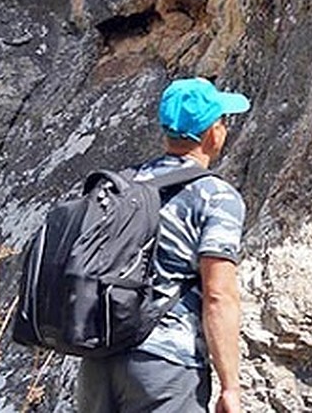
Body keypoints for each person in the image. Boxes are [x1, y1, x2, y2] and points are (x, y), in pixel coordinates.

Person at [76, 77, 251, 413]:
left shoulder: (121, 186)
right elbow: (218, 295)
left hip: (99, 359)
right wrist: (230, 387)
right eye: (223, 121)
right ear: (213, 132)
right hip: (167, 366)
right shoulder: (216, 196)